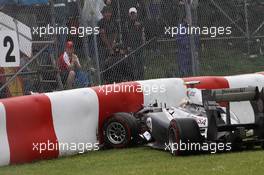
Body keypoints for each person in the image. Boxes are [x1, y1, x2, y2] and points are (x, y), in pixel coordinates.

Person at [98, 6, 118, 82]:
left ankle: (112, 78)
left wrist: (113, 43)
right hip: (102, 46)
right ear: (103, 14)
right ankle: (103, 80)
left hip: (111, 45)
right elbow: (103, 36)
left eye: (109, 12)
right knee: (103, 64)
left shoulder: (113, 21)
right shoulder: (100, 22)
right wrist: (109, 48)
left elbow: (115, 33)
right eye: (106, 13)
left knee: (112, 63)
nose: (107, 14)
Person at [125, 7, 145, 80]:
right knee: (132, 64)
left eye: (134, 14)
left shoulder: (140, 23)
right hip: (131, 46)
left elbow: (143, 34)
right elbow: (125, 36)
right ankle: (134, 78)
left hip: (139, 46)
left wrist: (139, 26)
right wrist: (127, 46)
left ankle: (141, 78)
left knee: (140, 63)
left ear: (136, 14)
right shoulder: (126, 24)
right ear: (129, 14)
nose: (133, 15)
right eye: (131, 14)